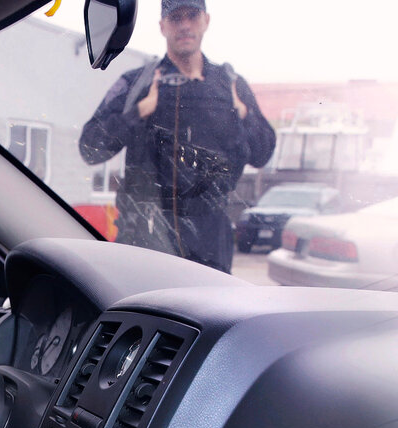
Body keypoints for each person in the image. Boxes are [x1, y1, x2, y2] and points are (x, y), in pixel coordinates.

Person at [78, 0, 275, 273]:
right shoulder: (138, 83)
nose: (184, 25)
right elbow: (90, 147)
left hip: (211, 248)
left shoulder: (230, 84)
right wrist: (138, 112)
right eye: (175, 17)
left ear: (206, 20)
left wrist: (243, 113)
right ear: (162, 26)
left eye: (192, 16)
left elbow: (263, 152)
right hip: (146, 241)